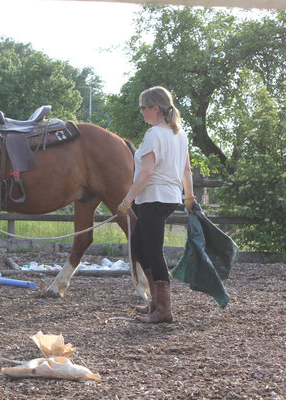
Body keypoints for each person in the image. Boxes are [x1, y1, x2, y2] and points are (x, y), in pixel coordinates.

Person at [117, 86, 197, 324]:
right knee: (140, 247)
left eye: (144, 107)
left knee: (152, 251)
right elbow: (186, 170)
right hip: (169, 197)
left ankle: (164, 309)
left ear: (155, 108)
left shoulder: (154, 135)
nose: (141, 111)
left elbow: (147, 172)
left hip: (154, 197)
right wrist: (189, 198)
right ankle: (156, 302)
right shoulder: (179, 134)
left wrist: (128, 199)